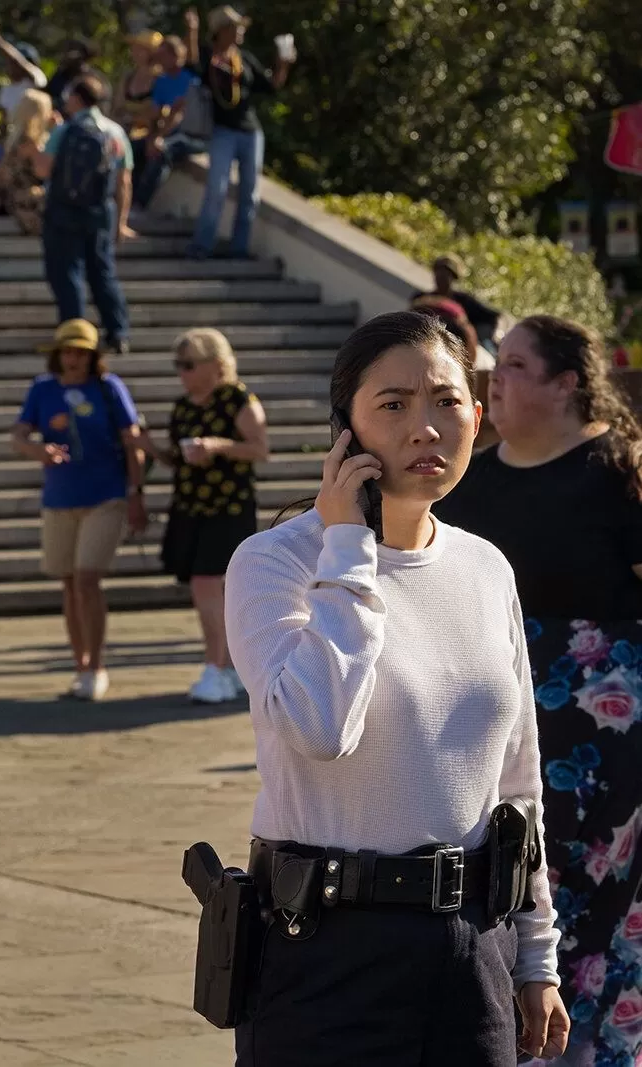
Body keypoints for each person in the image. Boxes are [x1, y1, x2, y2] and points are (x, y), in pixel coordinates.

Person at [225, 310, 568, 1063]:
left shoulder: (485, 567)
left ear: (476, 417)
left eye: (446, 401)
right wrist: (348, 548)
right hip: (327, 948)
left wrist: (536, 956)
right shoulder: (274, 562)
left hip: (475, 946)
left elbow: (518, 781)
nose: (425, 428)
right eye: (393, 404)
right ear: (344, 431)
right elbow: (320, 730)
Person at [433, 316, 642, 1066]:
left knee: (592, 907)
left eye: (518, 365)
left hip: (606, 744)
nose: (496, 377)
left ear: (566, 384)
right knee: (508, 892)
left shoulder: (620, 472)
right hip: (494, 727)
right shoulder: (470, 482)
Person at [10, 319, 148, 703]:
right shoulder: (43, 388)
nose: (74, 359)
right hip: (60, 496)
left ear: (93, 356)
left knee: (88, 578)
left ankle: (97, 665)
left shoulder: (109, 388)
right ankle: (80, 664)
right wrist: (37, 449)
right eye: (68, 352)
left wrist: (136, 492)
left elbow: (133, 440)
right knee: (69, 582)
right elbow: (18, 435)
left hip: (106, 494)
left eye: (81, 353)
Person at [160, 327, 268, 704]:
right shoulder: (183, 406)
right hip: (190, 505)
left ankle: (216, 667)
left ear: (215, 364)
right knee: (207, 585)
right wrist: (146, 447)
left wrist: (217, 446)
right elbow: (177, 459)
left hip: (228, 506)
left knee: (206, 583)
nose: (182, 372)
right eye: (178, 365)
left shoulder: (237, 398)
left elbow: (259, 448)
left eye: (189, 364)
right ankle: (230, 667)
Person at [182, 5, 293, 259]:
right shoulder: (209, 56)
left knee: (249, 194)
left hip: (250, 132)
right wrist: (192, 31)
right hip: (222, 131)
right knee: (217, 189)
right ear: (222, 31)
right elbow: (192, 64)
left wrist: (283, 65)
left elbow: (272, 86)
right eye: (236, 27)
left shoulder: (244, 58)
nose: (240, 32)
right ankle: (202, 245)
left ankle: (239, 248)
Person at [36, 75, 135, 356]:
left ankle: (74, 334)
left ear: (77, 99)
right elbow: (124, 181)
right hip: (101, 212)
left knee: (66, 273)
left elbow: (43, 170)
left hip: (63, 211)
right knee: (102, 272)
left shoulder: (65, 131)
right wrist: (121, 222)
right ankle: (118, 332)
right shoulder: (115, 132)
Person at [132, 36, 201, 214]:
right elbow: (155, 113)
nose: (160, 60)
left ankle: (140, 205)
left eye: (163, 56)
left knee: (162, 152)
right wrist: (151, 136)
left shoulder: (191, 80)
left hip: (189, 133)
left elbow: (179, 114)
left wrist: (158, 137)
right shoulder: (162, 81)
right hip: (165, 130)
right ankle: (127, 196)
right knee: (135, 148)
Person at [0, 87, 49, 235]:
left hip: (11, 197)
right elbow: (42, 171)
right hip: (25, 200)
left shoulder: (13, 142)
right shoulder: (32, 144)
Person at [414, 254, 502, 353]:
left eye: (447, 274)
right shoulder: (420, 299)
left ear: (454, 277)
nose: (442, 277)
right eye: (439, 272)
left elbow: (494, 316)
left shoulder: (465, 301)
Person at [111, 31, 161, 172]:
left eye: (139, 48)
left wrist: (132, 118)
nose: (133, 51)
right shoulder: (128, 77)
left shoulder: (160, 81)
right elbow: (117, 108)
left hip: (145, 139)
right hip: (123, 132)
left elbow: (156, 115)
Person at [0, 23, 47, 123]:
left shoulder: (35, 78)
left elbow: (21, 62)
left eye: (14, 63)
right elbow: (4, 122)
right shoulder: (6, 91)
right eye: (9, 62)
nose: (11, 66)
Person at [45, 37, 101, 114]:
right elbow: (48, 94)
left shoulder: (91, 81)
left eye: (79, 54)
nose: (72, 56)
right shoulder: (61, 74)